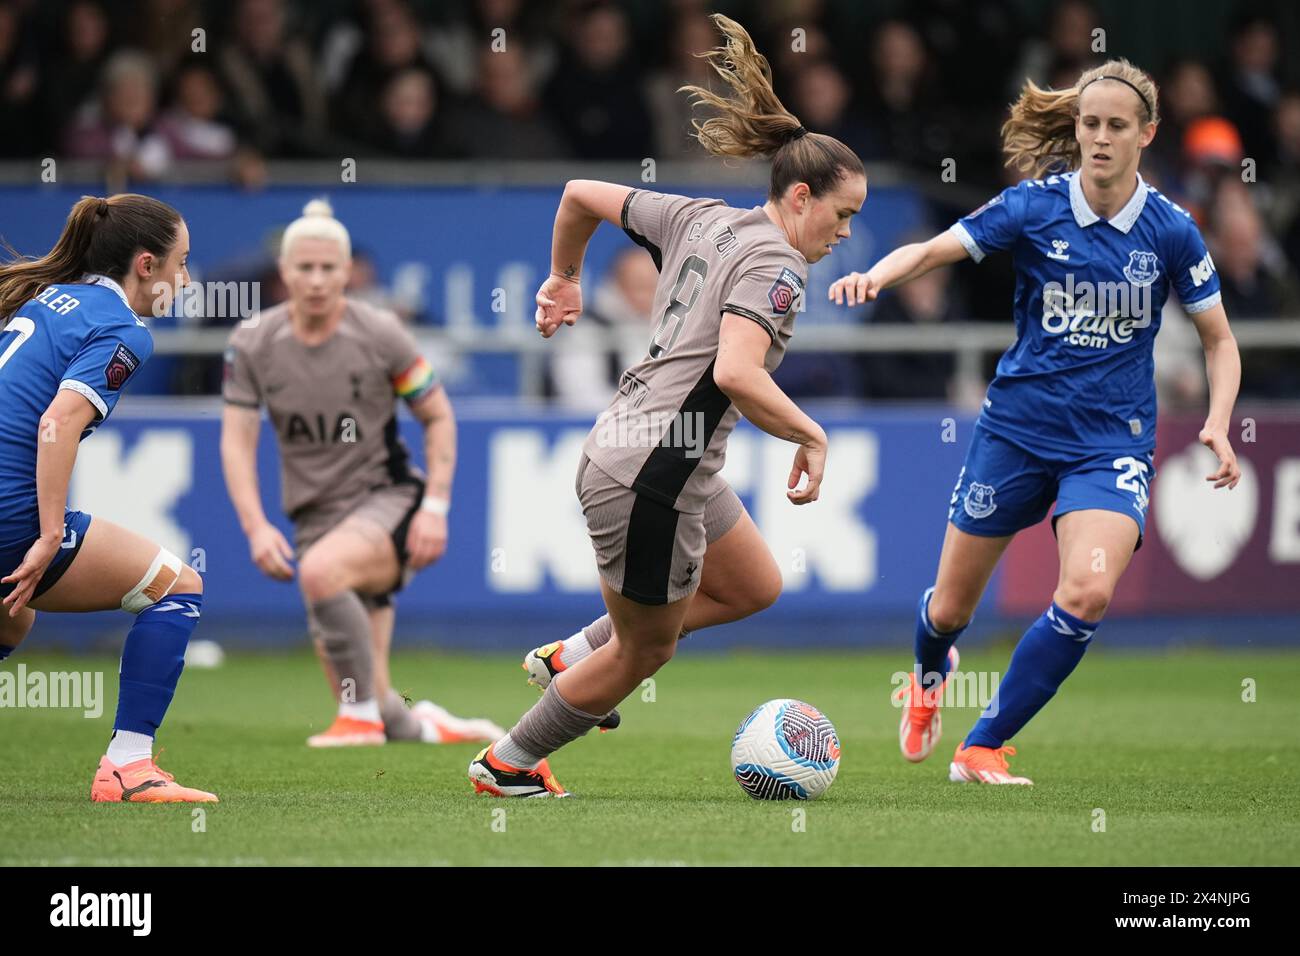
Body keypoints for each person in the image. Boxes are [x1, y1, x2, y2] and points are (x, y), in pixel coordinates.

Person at [468, 13, 866, 797]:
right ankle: (506, 764)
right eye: (842, 214)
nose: (844, 233)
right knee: (643, 653)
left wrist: (564, 277)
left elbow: (579, 194)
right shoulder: (780, 265)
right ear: (798, 197)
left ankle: (573, 654)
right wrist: (811, 434)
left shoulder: (703, 217)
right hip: (651, 473)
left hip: (653, 451)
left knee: (753, 585)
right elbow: (741, 374)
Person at [830, 58, 1241, 784]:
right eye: (1090, 125)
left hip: (1109, 445)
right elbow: (934, 249)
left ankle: (981, 745)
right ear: (1076, 129)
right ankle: (931, 676)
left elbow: (1220, 341)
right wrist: (877, 275)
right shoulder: (1033, 206)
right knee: (951, 609)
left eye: (1117, 126)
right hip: (1015, 432)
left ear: (1147, 134)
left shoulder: (1172, 230)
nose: (1101, 139)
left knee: (1086, 592)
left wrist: (1217, 419)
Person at [221, 199, 502, 748]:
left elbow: (438, 414)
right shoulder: (252, 344)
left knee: (323, 574)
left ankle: (356, 719)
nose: (318, 280)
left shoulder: (381, 333)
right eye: (305, 268)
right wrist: (256, 526)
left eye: (330, 269)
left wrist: (436, 507)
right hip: (312, 514)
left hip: (387, 498)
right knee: (382, 704)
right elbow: (236, 441)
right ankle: (429, 724)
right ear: (284, 272)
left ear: (348, 273)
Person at [0, 193, 217, 802]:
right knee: (177, 587)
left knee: (12, 621)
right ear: (146, 265)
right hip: (9, 514)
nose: (186, 279)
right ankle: (128, 767)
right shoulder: (123, 328)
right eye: (182, 263)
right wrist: (47, 535)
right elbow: (55, 425)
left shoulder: (50, 300)